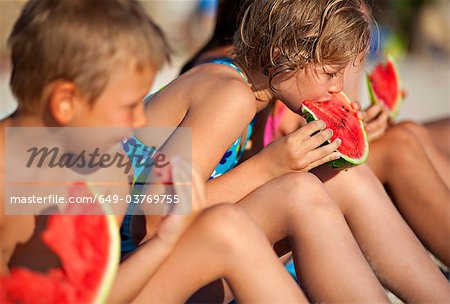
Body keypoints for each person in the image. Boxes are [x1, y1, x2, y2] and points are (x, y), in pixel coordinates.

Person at [131, 0, 450, 302]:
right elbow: (155, 220)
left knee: (341, 177)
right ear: (281, 55)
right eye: (329, 72)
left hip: (169, 267)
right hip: (131, 281)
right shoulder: (229, 96)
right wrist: (268, 167)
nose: (338, 87)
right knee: (298, 191)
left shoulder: (248, 90)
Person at [0, 1, 307, 303]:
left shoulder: (108, 177)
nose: (139, 120)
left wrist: (163, 242)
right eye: (128, 106)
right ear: (65, 103)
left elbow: (102, 293)